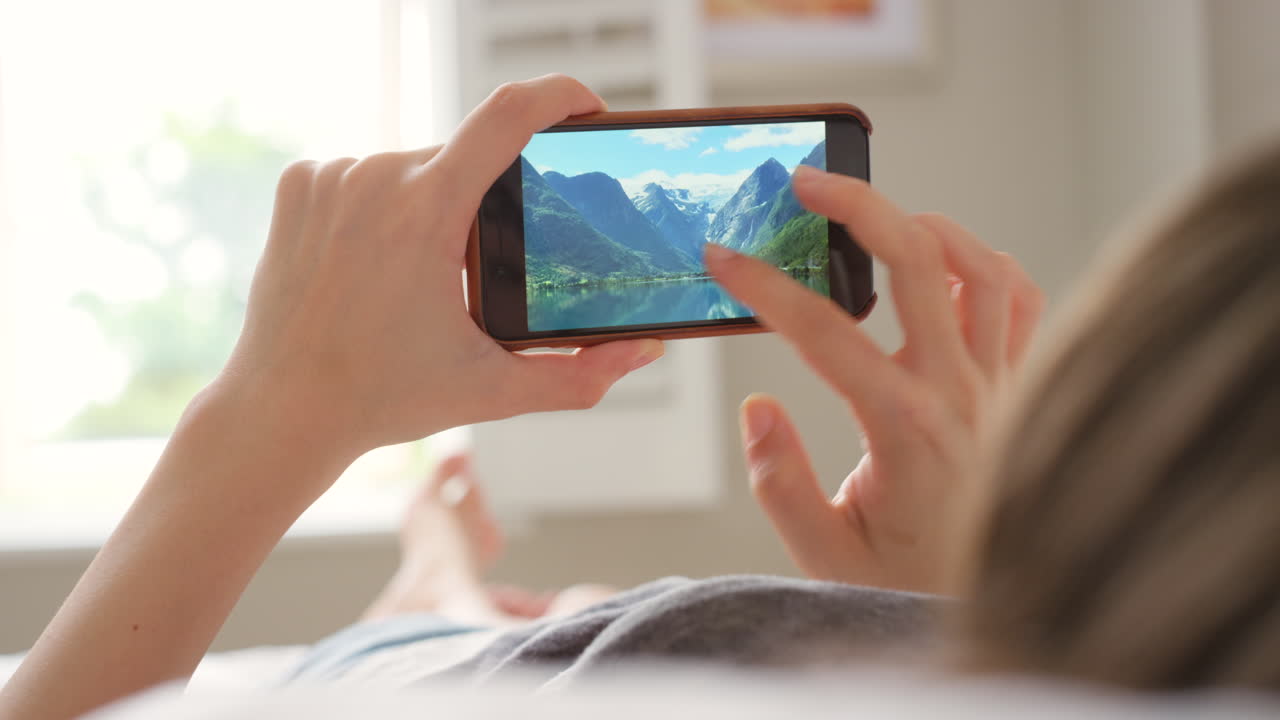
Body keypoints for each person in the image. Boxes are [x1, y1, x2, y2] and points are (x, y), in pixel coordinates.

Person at [0, 73, 1276, 719]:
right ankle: (437, 579)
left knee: (518, 619)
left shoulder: (678, 672)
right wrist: (933, 617)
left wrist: (270, 411)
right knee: (563, 607)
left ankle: (429, 581)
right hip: (600, 636)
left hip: (489, 662)